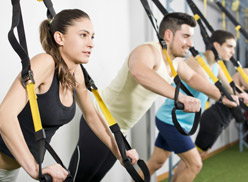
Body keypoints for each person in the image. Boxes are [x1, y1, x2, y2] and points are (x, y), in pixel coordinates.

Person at [68, 13, 239, 182]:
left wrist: (223, 97)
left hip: (120, 130)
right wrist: (180, 97)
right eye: (186, 36)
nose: (190, 43)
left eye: (191, 37)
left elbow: (194, 79)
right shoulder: (148, 50)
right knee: (78, 178)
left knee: (95, 177)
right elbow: (139, 72)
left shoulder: (176, 62)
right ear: (169, 35)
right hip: (100, 121)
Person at [0, 9, 139, 182]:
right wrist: (34, 169)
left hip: (9, 172)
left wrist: (120, 151)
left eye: (92, 37)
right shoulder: (45, 63)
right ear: (60, 38)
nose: (91, 44)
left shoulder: (76, 73)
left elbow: (91, 115)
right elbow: (5, 114)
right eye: (83, 35)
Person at [144, 30, 248, 182]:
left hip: (183, 122)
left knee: (156, 163)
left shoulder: (216, 65)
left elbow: (228, 85)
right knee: (195, 164)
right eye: (229, 46)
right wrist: (226, 96)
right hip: (171, 119)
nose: (233, 51)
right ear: (216, 45)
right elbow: (205, 85)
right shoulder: (196, 60)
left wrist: (243, 94)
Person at [195, 52, 248, 158]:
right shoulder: (247, 72)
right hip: (214, 118)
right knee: (194, 159)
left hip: (221, 121)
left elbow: (246, 102)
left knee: (201, 155)